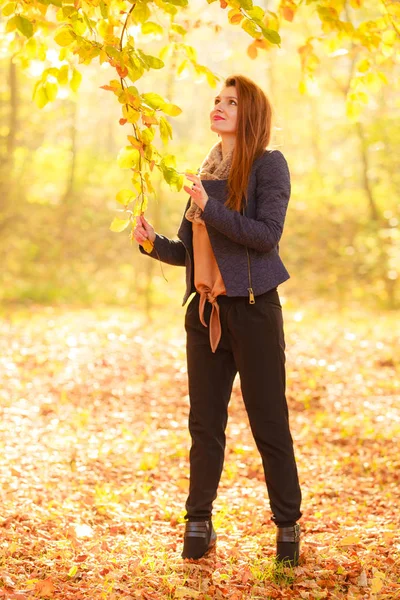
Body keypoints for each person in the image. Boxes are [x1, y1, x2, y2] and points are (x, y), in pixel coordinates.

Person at [133, 74, 302, 566]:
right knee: (204, 425)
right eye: (216, 100)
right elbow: (190, 251)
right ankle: (198, 524)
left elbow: (266, 235)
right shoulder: (203, 174)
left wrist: (211, 206)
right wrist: (151, 243)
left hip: (254, 312)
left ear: (249, 114)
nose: (219, 106)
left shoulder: (270, 166)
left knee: (269, 422)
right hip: (204, 315)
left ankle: (288, 527)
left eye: (231, 101)